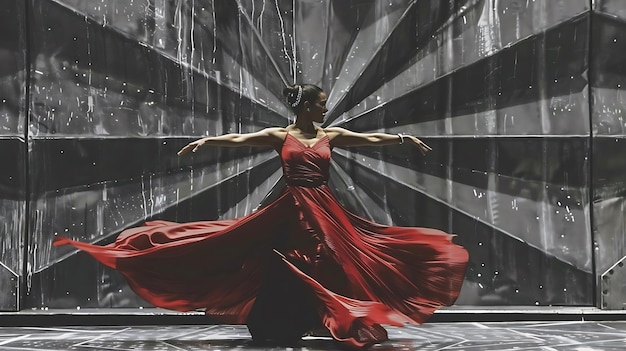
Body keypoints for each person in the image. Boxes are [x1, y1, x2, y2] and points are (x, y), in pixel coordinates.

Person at [55, 84, 468, 349]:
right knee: (280, 258)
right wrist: (206, 141)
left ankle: (325, 316)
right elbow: (240, 139)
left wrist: (401, 139)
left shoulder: (330, 135)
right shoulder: (280, 135)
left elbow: (369, 139)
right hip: (292, 206)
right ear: (306, 107)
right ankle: (294, 319)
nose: (326, 110)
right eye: (321, 105)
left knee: (333, 258)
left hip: (323, 207)